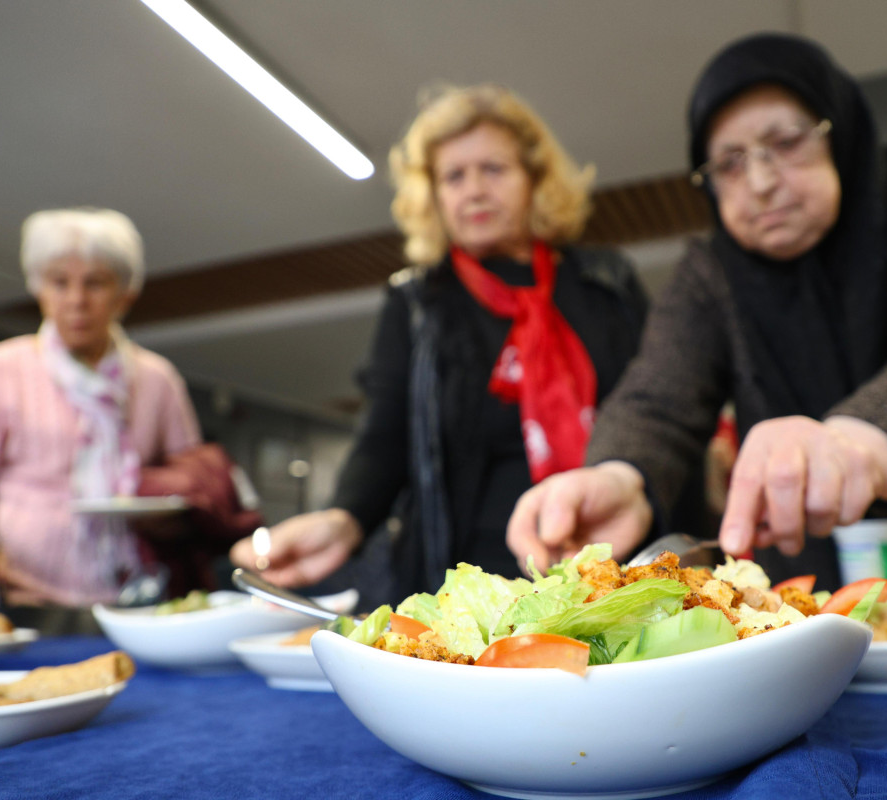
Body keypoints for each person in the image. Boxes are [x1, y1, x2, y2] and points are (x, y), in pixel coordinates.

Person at [507, 33, 887, 599]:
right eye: (730, 162)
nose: (762, 181)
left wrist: (860, 440)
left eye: (785, 142)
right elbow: (657, 398)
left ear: (840, 134)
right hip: (821, 592)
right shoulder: (710, 270)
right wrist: (621, 473)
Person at [229, 85, 650, 601]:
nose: (473, 189)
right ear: (434, 195)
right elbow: (384, 435)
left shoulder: (605, 283)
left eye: (493, 169)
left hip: (606, 564)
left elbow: (651, 412)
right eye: (453, 176)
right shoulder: (416, 302)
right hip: (466, 580)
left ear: (534, 179)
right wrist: (346, 517)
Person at [0, 208, 201, 625]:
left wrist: (171, 514)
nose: (76, 299)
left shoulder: (158, 380)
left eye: (95, 282)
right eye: (59, 282)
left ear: (124, 293)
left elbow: (194, 480)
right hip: (26, 598)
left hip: (139, 596)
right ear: (39, 289)